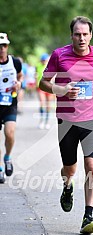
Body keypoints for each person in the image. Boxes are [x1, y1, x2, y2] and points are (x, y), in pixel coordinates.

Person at [39, 16, 93, 234]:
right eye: (77, 34)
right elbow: (43, 83)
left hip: (92, 119)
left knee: (91, 166)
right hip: (66, 120)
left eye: (85, 34)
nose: (81, 38)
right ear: (71, 35)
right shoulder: (59, 55)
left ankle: (88, 216)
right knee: (70, 169)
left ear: (90, 35)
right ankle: (67, 186)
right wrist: (62, 90)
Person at [0, 33, 23, 183]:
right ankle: (0, 168)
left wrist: (19, 84)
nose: (1, 48)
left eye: (4, 45)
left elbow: (20, 76)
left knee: (10, 133)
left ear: (8, 46)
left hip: (10, 102)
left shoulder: (15, 62)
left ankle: (7, 157)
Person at [36, 53, 54, 129]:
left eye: (45, 60)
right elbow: (36, 76)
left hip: (50, 87)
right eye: (42, 60)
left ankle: (46, 122)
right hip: (40, 87)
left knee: (48, 105)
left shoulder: (51, 66)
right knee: (42, 103)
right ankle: (41, 121)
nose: (44, 62)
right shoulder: (38, 66)